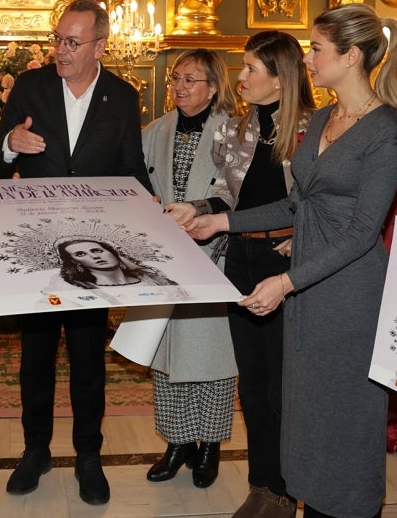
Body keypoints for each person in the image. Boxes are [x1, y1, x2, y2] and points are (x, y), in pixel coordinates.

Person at [187, 3, 397, 518]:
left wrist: (285, 282)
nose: (307, 61)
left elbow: (361, 233)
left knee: (345, 414)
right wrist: (222, 221)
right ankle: (302, 500)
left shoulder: (388, 129)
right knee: (304, 413)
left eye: (316, 49)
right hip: (309, 285)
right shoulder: (329, 116)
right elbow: (296, 202)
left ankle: (352, 507)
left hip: (349, 294)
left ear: (351, 56)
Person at [0, 0, 150, 507]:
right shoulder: (31, 86)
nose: (61, 50)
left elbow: (131, 169)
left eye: (72, 42)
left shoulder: (122, 97)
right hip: (39, 251)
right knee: (34, 359)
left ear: (100, 46)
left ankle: (88, 457)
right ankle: (35, 451)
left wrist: (154, 216)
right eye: (58, 39)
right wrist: (11, 142)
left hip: (93, 252)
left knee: (87, 360)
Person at [167, 33, 316, 518]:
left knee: (283, 385)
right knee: (252, 382)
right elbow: (226, 197)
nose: (243, 78)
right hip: (242, 260)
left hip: (288, 263)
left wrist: (303, 237)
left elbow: (315, 204)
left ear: (282, 76)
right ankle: (263, 486)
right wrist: (194, 208)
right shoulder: (236, 129)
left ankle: (290, 487)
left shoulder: (314, 131)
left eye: (253, 69)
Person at [137, 49, 240, 491]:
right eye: (176, 78)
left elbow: (238, 193)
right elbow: (136, 181)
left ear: (214, 86)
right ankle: (178, 444)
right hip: (164, 258)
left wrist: (200, 216)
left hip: (215, 253)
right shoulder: (156, 129)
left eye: (191, 79)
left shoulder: (237, 132)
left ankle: (211, 445)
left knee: (214, 357)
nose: (179, 86)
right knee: (169, 356)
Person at [54, 238, 177, 288]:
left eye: (97, 250)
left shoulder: (152, 279)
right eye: (80, 254)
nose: (94, 256)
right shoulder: (78, 288)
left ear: (112, 252)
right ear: (75, 261)